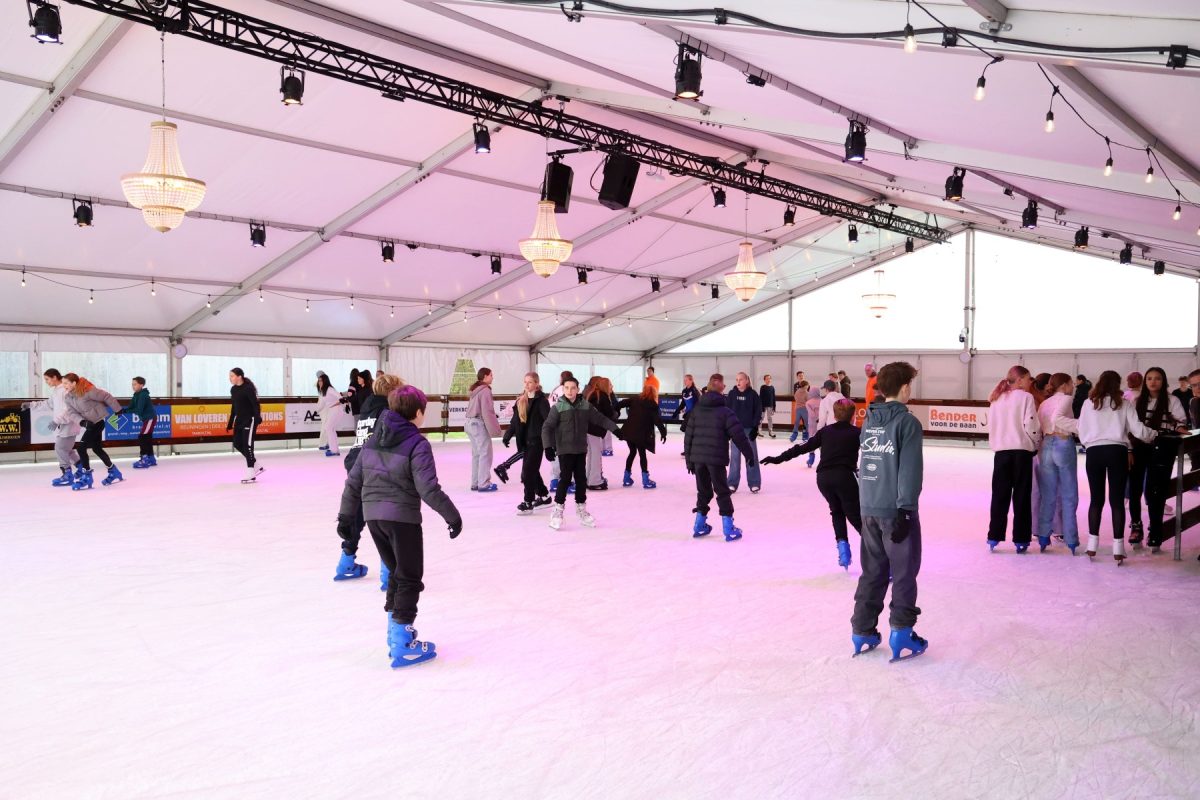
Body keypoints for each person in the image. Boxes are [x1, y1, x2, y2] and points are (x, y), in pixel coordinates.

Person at [338, 385, 463, 669]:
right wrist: (452, 516)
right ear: (417, 413)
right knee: (408, 577)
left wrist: (345, 518)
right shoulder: (417, 443)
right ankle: (403, 644)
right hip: (402, 518)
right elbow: (428, 488)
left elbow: (353, 482)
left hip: (373, 517)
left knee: (396, 574)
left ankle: (395, 632)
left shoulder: (373, 440)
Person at [851, 361, 927, 662]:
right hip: (895, 510)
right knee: (904, 572)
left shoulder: (869, 420)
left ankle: (862, 630)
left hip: (868, 506)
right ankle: (902, 632)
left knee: (873, 571)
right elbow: (910, 470)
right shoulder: (907, 423)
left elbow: (867, 463)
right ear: (905, 387)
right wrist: (906, 509)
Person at [761, 398, 862, 570]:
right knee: (857, 518)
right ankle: (880, 559)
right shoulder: (857, 433)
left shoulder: (825, 432)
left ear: (834, 415)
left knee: (837, 511)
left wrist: (778, 459)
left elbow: (802, 448)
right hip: (844, 478)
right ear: (853, 416)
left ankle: (843, 551)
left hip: (824, 479)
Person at [1076, 370, 1157, 563]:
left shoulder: (1088, 404)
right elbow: (1138, 430)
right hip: (1117, 452)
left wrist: (1090, 443)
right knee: (1117, 501)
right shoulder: (1124, 404)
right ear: (1118, 384)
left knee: (1096, 500)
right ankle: (1118, 548)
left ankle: (1092, 546)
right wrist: (1154, 434)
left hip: (1094, 453)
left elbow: (1081, 429)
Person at [336, 372, 404, 585]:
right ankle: (388, 572)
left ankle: (345, 562)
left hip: (356, 466)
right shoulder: (389, 412)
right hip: (375, 470)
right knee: (386, 518)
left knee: (357, 516)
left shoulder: (368, 410)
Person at [542, 377, 621, 530]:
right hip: (565, 450)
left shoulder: (585, 406)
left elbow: (600, 419)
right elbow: (547, 427)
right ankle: (558, 510)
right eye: (567, 388)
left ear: (578, 389)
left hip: (580, 449)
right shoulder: (558, 407)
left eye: (573, 388)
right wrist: (548, 447)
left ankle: (581, 510)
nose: (570, 391)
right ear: (563, 389)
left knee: (581, 480)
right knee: (565, 479)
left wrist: (615, 430)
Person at [684, 374, 755, 541]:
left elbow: (688, 437)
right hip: (716, 460)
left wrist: (689, 461)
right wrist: (749, 454)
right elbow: (739, 436)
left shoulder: (696, 410)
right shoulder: (725, 412)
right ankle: (729, 528)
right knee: (722, 492)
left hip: (698, 459)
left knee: (703, 492)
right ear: (722, 389)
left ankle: (699, 525)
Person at [1128, 367, 1188, 549]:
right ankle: (1136, 526)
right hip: (1138, 448)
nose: (1153, 382)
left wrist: (1178, 428)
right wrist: (1129, 449)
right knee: (1134, 489)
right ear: (1145, 381)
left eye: (1157, 378)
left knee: (1156, 490)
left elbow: (1180, 422)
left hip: (1162, 448)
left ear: (1163, 381)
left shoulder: (1172, 400)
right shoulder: (1137, 401)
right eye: (1149, 378)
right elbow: (1129, 426)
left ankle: (1155, 529)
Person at [985, 366, 1041, 553]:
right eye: (1028, 378)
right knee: (1022, 496)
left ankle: (994, 535)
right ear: (1020, 380)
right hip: (1021, 452)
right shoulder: (1026, 397)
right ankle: (1021, 539)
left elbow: (991, 425)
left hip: (1001, 453)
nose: (1030, 382)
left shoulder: (996, 398)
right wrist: (1036, 443)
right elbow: (1031, 424)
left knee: (999, 495)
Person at [1036, 373, 1079, 553]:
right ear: (1064, 385)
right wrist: (1080, 425)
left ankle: (1043, 535)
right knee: (1069, 494)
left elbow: (1040, 426)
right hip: (1063, 442)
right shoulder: (1066, 399)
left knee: (1048, 495)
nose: (1073, 387)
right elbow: (1057, 418)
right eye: (1071, 383)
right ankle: (1071, 538)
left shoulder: (1044, 403)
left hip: (1046, 444)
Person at [61, 373, 123, 490]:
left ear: (74, 383)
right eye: (63, 383)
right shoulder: (68, 397)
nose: (64, 386)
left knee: (81, 447)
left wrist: (117, 409)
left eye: (66, 383)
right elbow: (71, 412)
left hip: (98, 422)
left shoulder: (87, 390)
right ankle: (113, 471)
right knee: (97, 448)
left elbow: (106, 396)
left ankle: (87, 476)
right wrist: (82, 422)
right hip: (89, 424)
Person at [21, 368, 80, 486]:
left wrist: (56, 421)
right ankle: (83, 468)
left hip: (68, 424)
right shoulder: (57, 390)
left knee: (60, 448)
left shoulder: (65, 390)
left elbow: (68, 409)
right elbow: (48, 404)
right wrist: (30, 405)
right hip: (63, 424)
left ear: (54, 377)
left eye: (47, 379)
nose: (46, 382)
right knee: (67, 450)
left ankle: (67, 474)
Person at [507, 372, 552, 515]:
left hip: (537, 442)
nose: (527, 385)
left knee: (527, 473)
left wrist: (549, 444)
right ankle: (544, 496)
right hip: (525, 442)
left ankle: (529, 502)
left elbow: (548, 423)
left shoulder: (542, 401)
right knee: (532, 470)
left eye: (530, 382)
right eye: (525, 382)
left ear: (537, 384)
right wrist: (508, 435)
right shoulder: (522, 400)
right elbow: (515, 420)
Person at [616, 384, 667, 488]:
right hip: (641, 434)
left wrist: (615, 411)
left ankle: (626, 478)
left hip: (629, 432)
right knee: (642, 455)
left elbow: (621, 403)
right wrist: (663, 432)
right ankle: (645, 480)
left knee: (632, 452)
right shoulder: (652, 405)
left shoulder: (635, 399)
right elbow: (657, 420)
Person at [465, 368, 501, 492]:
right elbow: (487, 412)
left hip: (470, 423)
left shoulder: (475, 390)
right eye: (491, 375)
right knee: (485, 453)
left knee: (477, 454)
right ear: (485, 376)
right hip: (478, 424)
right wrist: (495, 430)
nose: (492, 377)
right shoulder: (485, 390)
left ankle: (476, 482)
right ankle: (484, 483)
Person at [726, 372, 763, 493]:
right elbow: (726, 411)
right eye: (737, 379)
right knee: (735, 457)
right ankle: (732, 482)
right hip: (735, 430)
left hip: (749, 430)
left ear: (747, 381)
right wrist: (727, 428)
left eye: (741, 379)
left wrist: (755, 427)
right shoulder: (732, 394)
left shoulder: (753, 395)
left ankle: (754, 482)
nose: (738, 382)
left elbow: (758, 412)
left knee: (751, 456)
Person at [226, 367, 264, 483]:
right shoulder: (233, 389)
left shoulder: (248, 389)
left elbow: (255, 404)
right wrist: (230, 422)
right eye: (230, 376)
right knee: (237, 443)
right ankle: (255, 464)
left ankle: (251, 472)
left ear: (239, 377)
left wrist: (257, 417)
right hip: (239, 420)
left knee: (247, 445)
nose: (230, 378)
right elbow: (234, 407)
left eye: (232, 376)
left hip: (249, 420)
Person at [584, 377, 618, 490]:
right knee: (595, 455)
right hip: (594, 429)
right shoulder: (602, 396)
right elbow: (609, 413)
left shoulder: (592, 394)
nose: (612, 387)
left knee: (592, 454)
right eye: (610, 385)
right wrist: (616, 414)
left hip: (588, 428)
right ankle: (594, 480)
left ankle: (589, 478)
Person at [120, 376, 158, 469]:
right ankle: (151, 458)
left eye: (135, 384)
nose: (133, 386)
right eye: (132, 384)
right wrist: (122, 411)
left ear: (141, 385)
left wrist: (126, 411)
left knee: (142, 437)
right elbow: (131, 407)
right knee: (147, 437)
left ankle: (144, 459)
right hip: (146, 419)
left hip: (149, 418)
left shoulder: (143, 395)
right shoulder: (136, 395)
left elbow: (139, 410)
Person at [547, 370, 573, 492]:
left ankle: (554, 480)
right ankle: (565, 480)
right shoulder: (568, 390)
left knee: (556, 452)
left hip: (553, 422)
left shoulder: (555, 390)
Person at [314, 372, 343, 457]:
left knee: (328, 428)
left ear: (325, 381)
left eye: (321, 381)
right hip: (332, 410)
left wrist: (342, 401)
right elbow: (322, 404)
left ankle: (334, 450)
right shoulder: (323, 391)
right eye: (319, 381)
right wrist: (316, 411)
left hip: (336, 409)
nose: (319, 382)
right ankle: (335, 449)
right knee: (330, 428)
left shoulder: (329, 389)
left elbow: (339, 396)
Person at [759, 374, 777, 438]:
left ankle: (770, 431)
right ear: (764, 380)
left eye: (769, 378)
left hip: (770, 405)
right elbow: (760, 397)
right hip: (763, 405)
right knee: (761, 418)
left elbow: (773, 397)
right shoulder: (762, 387)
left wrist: (774, 407)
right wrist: (761, 406)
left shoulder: (772, 387)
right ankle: (759, 430)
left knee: (770, 418)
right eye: (767, 379)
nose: (768, 380)